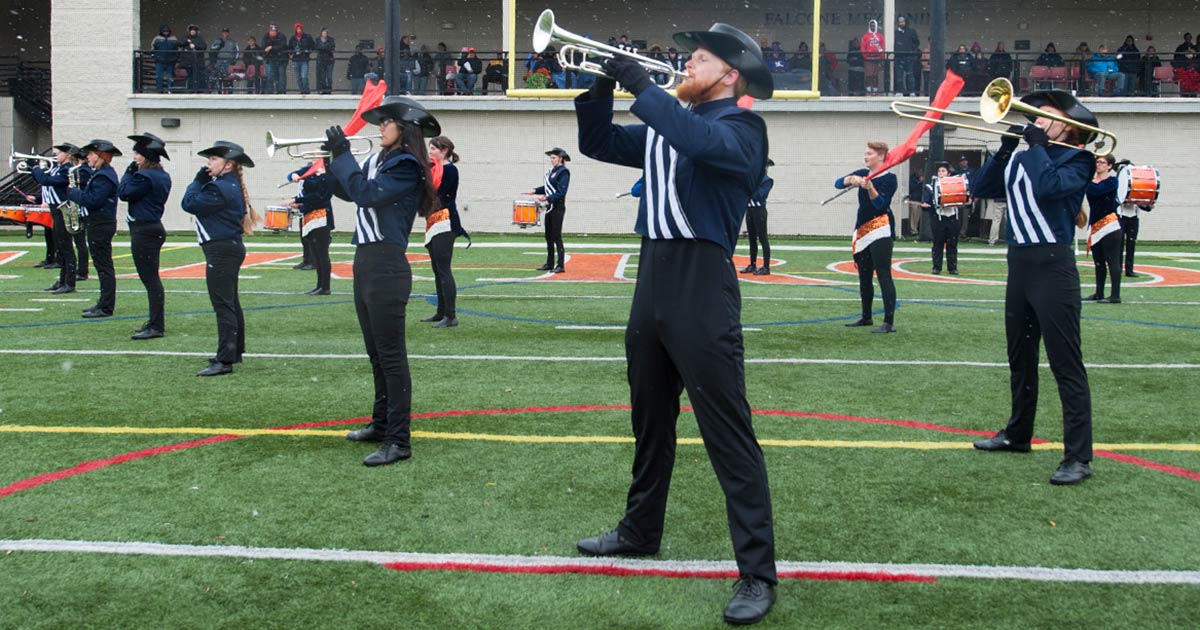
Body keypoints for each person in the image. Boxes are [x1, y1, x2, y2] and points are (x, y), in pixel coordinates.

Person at [573, 22, 779, 624]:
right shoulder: (671, 125)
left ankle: (757, 572)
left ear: (731, 75)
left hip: (701, 282)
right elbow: (598, 143)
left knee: (728, 432)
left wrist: (643, 86)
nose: (686, 65)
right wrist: (601, 86)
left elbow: (701, 142)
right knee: (650, 419)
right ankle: (640, 531)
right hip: (652, 276)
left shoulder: (742, 128)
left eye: (699, 60)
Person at [970, 90, 1097, 486]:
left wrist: (1039, 147)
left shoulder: (1079, 159)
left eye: (1045, 115)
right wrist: (1005, 149)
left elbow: (1049, 188)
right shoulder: (1023, 155)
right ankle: (1018, 433)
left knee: (1065, 363)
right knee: (1020, 357)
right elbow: (982, 187)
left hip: (1053, 266)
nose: (1036, 120)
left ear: (1069, 126)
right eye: (1035, 115)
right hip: (1019, 264)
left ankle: (1078, 457)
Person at [322, 96, 441, 466]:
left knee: (391, 357)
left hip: (386, 264)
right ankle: (381, 423)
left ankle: (399, 441)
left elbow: (366, 194)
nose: (380, 127)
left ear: (404, 128)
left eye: (386, 122)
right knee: (375, 353)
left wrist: (344, 156)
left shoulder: (406, 164)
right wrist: (333, 159)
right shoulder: (381, 161)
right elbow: (347, 191)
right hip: (366, 261)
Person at [181, 141, 258, 376]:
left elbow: (188, 203)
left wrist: (197, 181)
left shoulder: (219, 188)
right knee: (230, 302)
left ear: (228, 165)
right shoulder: (229, 185)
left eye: (213, 159)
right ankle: (234, 351)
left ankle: (225, 360)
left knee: (223, 305)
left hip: (221, 250)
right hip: (228, 248)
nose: (208, 163)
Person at [835, 141, 899, 333]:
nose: (865, 156)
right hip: (862, 229)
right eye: (865, 153)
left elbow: (880, 204)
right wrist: (851, 179)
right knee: (864, 275)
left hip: (881, 229)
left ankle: (888, 322)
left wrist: (870, 187)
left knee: (884, 275)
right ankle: (866, 316)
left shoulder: (890, 178)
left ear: (881, 156)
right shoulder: (862, 173)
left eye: (869, 154)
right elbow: (837, 183)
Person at [119, 133, 172, 339]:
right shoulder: (162, 175)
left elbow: (124, 193)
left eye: (137, 154)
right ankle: (154, 321)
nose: (134, 157)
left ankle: (156, 325)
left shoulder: (145, 177)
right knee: (151, 279)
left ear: (146, 156)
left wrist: (128, 173)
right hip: (152, 228)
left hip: (144, 230)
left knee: (150, 280)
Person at [67, 140, 121, 319]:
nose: (87, 157)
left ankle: (106, 306)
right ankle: (103, 302)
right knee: (101, 265)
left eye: (91, 154)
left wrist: (74, 193)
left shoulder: (104, 176)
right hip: (98, 222)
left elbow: (93, 201)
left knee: (104, 266)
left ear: (100, 156)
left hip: (101, 223)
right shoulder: (100, 174)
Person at [422, 135, 470, 328]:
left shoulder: (450, 170)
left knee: (443, 269)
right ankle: (441, 312)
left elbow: (445, 196)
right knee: (436, 269)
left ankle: (451, 315)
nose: (430, 151)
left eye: (434, 148)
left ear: (444, 151)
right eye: (430, 147)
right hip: (433, 220)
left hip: (445, 221)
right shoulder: (432, 169)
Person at [30, 144, 79, 293]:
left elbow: (46, 180)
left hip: (62, 209)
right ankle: (62, 280)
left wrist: (36, 168)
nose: (56, 155)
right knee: (61, 247)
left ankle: (69, 282)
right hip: (55, 209)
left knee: (66, 247)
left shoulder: (66, 170)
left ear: (68, 155)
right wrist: (33, 169)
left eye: (60, 153)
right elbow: (43, 180)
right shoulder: (57, 168)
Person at [287, 163, 335, 295]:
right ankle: (319, 285)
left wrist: (297, 199)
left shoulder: (328, 174)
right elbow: (293, 175)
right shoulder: (310, 169)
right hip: (309, 215)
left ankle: (325, 286)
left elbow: (320, 197)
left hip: (322, 216)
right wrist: (293, 175)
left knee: (322, 254)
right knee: (316, 254)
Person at [1083, 154, 1123, 304]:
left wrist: (1086, 180)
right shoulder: (1090, 182)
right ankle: (1099, 293)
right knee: (1098, 261)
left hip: (1110, 226)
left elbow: (1097, 191)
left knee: (1112, 261)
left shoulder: (1112, 181)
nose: (1098, 164)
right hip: (1095, 225)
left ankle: (1115, 295)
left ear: (1110, 166)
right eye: (1097, 162)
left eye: (1102, 162)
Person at [526, 148, 570, 273]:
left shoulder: (564, 172)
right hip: (550, 207)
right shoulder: (552, 172)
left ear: (560, 158)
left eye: (554, 158)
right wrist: (535, 190)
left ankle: (560, 265)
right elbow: (547, 187)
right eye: (551, 158)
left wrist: (547, 198)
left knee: (556, 236)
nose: (551, 160)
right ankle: (550, 263)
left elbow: (561, 192)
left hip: (558, 207)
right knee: (548, 236)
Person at [924, 161, 960, 275]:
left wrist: (968, 201)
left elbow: (963, 199)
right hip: (938, 218)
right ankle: (936, 267)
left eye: (943, 171)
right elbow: (927, 202)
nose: (940, 173)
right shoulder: (930, 187)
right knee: (938, 244)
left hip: (952, 217)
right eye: (939, 171)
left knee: (952, 244)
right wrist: (926, 205)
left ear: (948, 173)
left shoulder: (955, 185)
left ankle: (952, 268)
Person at [740, 159, 774, 275]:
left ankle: (766, 267)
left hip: (759, 211)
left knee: (763, 238)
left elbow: (759, 195)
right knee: (751, 238)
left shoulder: (767, 180)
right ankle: (752, 264)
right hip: (750, 210)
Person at [894, 15, 919, 96]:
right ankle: (899, 91)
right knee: (899, 76)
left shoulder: (912, 32)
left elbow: (916, 43)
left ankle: (911, 92)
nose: (901, 23)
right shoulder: (895, 33)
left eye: (902, 22)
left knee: (910, 75)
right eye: (899, 22)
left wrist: (911, 50)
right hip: (898, 57)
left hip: (909, 57)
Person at [151, 24, 179, 93]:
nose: (166, 32)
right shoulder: (157, 38)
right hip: (159, 61)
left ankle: (169, 90)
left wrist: (176, 58)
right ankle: (159, 90)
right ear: (161, 31)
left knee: (170, 77)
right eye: (164, 31)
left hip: (171, 61)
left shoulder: (174, 39)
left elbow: (177, 49)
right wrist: (154, 57)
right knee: (159, 77)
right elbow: (153, 48)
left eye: (167, 31)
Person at [289, 23, 315, 94]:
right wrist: (292, 52)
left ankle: (306, 90)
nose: (299, 30)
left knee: (304, 76)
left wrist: (307, 51)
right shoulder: (292, 38)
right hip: (295, 59)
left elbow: (313, 46)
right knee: (298, 77)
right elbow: (290, 48)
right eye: (297, 29)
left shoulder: (307, 37)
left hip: (304, 59)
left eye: (300, 29)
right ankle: (302, 90)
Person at [262, 23, 288, 93]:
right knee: (270, 77)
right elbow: (264, 47)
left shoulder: (281, 36)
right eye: (272, 31)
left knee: (281, 77)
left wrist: (271, 47)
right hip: (270, 59)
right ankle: (270, 92)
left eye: (274, 31)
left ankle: (281, 92)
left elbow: (282, 46)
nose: (273, 32)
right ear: (269, 31)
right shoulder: (266, 36)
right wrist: (273, 48)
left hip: (281, 59)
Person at [861, 20, 885, 94]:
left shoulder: (880, 36)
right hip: (868, 58)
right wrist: (865, 56)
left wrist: (881, 56)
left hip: (877, 58)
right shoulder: (865, 36)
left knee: (875, 75)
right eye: (871, 26)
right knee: (868, 75)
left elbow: (883, 47)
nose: (872, 27)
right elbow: (863, 47)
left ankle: (875, 90)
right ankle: (868, 90)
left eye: (874, 26)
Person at [314, 28, 336, 94]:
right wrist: (325, 48)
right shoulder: (318, 40)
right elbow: (316, 47)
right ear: (321, 33)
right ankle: (324, 90)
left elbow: (332, 47)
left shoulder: (331, 39)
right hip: (321, 60)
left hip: (329, 60)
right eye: (323, 33)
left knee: (329, 77)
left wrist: (323, 48)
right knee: (322, 76)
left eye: (326, 33)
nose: (325, 34)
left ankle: (329, 90)